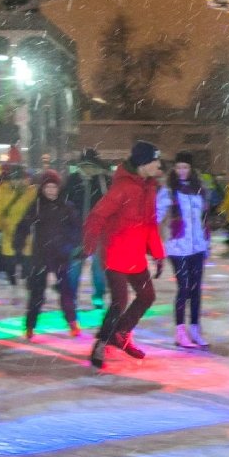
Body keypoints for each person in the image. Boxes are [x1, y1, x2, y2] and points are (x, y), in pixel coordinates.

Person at [82, 141, 166, 370]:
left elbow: (150, 224)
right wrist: (89, 246)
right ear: (143, 164)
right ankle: (101, 343)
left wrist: (158, 254)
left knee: (147, 296)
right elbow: (96, 217)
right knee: (120, 301)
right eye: (155, 160)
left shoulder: (149, 188)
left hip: (135, 254)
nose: (159, 164)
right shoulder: (121, 189)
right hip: (115, 254)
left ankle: (120, 333)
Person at [13, 170, 81, 340]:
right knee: (37, 292)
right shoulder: (36, 205)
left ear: (59, 188)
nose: (51, 191)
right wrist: (19, 245)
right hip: (41, 255)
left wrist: (70, 245)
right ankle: (30, 325)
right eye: (47, 187)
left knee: (66, 291)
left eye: (54, 187)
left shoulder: (66, 206)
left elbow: (77, 229)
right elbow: (23, 227)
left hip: (60, 255)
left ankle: (72, 322)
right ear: (42, 188)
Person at [157, 151, 210, 348]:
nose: (182, 171)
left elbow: (204, 217)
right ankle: (180, 331)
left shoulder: (198, 190)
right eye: (178, 167)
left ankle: (195, 329)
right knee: (184, 288)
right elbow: (157, 214)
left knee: (196, 290)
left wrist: (206, 241)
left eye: (185, 167)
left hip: (198, 245)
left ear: (191, 169)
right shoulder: (169, 190)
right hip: (177, 246)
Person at [65, 149, 110, 310]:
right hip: (76, 232)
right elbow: (65, 204)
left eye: (90, 166)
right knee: (75, 266)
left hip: (98, 232)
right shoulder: (73, 180)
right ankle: (71, 297)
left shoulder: (103, 181)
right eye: (84, 166)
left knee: (99, 267)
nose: (88, 170)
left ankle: (98, 295)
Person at [0, 163, 36, 303]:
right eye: (15, 178)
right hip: (8, 234)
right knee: (10, 264)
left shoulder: (31, 192)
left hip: (27, 234)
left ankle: (29, 289)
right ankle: (14, 288)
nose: (18, 181)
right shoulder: (2, 191)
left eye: (20, 178)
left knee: (28, 264)